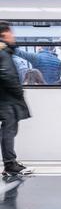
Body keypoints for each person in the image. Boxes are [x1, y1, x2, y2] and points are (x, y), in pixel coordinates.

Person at [0, 21, 33, 176]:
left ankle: (10, 163)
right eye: (11, 32)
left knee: (8, 130)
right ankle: (10, 164)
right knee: (9, 130)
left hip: (4, 98)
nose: (13, 36)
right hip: (7, 99)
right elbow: (7, 75)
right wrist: (19, 92)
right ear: (4, 34)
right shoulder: (3, 52)